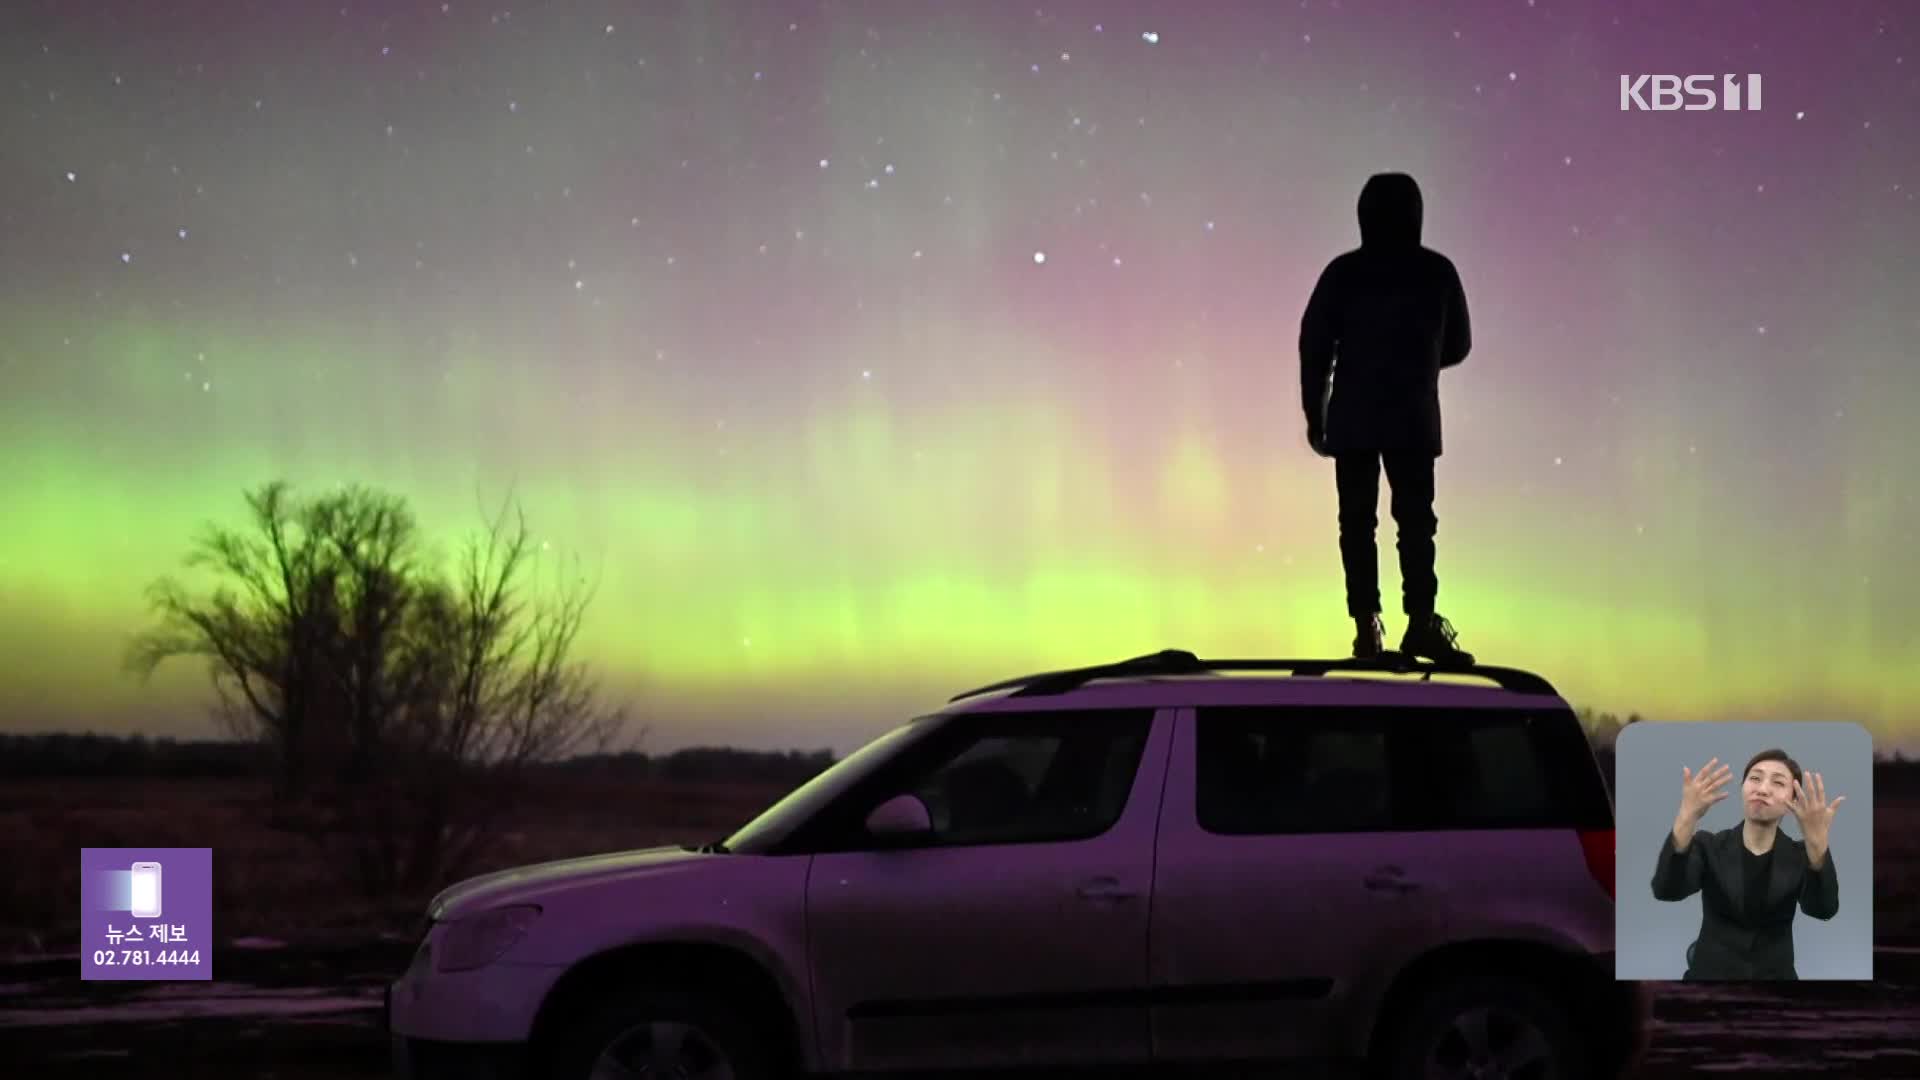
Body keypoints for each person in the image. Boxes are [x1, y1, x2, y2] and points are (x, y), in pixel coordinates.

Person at [1299, 171, 1473, 664]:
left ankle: (1366, 626)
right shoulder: (1437, 272)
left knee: (1357, 523)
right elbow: (1458, 344)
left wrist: (1317, 410)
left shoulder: (1344, 273)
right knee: (1415, 522)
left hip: (1355, 416)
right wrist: (1418, 362)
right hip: (1412, 415)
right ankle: (1420, 620)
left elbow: (1314, 343)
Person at [1650, 749, 1845, 980]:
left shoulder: (1800, 855)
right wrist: (1686, 817)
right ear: (1743, 788)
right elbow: (1667, 890)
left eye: (1778, 783)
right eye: (1755, 778)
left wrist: (1817, 845)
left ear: (1794, 800)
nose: (1762, 789)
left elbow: (1822, 909)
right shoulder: (1709, 846)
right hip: (1707, 983)